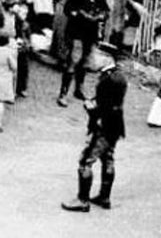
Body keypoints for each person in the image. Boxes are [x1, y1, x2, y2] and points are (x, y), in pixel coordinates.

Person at [62, 42, 128, 212]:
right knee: (108, 158)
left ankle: (82, 200)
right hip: (115, 126)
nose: (93, 59)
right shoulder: (118, 75)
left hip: (103, 126)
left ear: (107, 58)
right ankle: (104, 197)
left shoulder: (108, 79)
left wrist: (91, 107)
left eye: (97, 56)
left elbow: (105, 106)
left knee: (86, 161)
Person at [58, 0, 108, 107]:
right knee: (73, 60)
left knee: (84, 61)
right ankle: (63, 93)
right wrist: (80, 14)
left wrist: (101, 15)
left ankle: (78, 89)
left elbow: (105, 8)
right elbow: (68, 9)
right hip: (76, 30)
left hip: (91, 31)